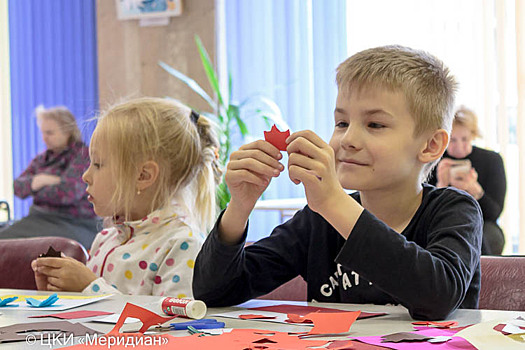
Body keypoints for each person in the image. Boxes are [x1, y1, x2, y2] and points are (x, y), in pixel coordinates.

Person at [193, 46, 483, 321]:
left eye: (375, 125)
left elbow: (437, 297)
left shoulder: (455, 210)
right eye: (341, 123)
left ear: (431, 145)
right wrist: (239, 207)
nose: (348, 140)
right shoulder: (319, 221)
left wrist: (333, 202)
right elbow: (214, 292)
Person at [31, 97, 221, 297]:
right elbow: (90, 317)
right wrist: (60, 293)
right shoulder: (106, 239)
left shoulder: (182, 244)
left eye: (97, 165)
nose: (85, 176)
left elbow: (173, 323)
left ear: (143, 176)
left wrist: (89, 286)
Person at [0, 106, 99, 248]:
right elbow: (17, 188)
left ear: (67, 131)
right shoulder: (42, 158)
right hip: (38, 218)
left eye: (50, 133)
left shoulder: (83, 156)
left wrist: (36, 186)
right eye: (43, 133)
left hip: (74, 223)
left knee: (10, 244)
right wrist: (39, 181)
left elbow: (68, 193)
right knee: (4, 239)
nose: (44, 138)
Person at [428, 107, 506, 255]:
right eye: (453, 140)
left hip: (484, 225)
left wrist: (475, 190)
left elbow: (495, 213)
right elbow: (424, 210)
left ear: (473, 136)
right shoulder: (433, 161)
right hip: (443, 222)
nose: (458, 147)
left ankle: (484, 277)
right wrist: (441, 185)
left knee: (485, 236)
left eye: (464, 139)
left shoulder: (491, 160)